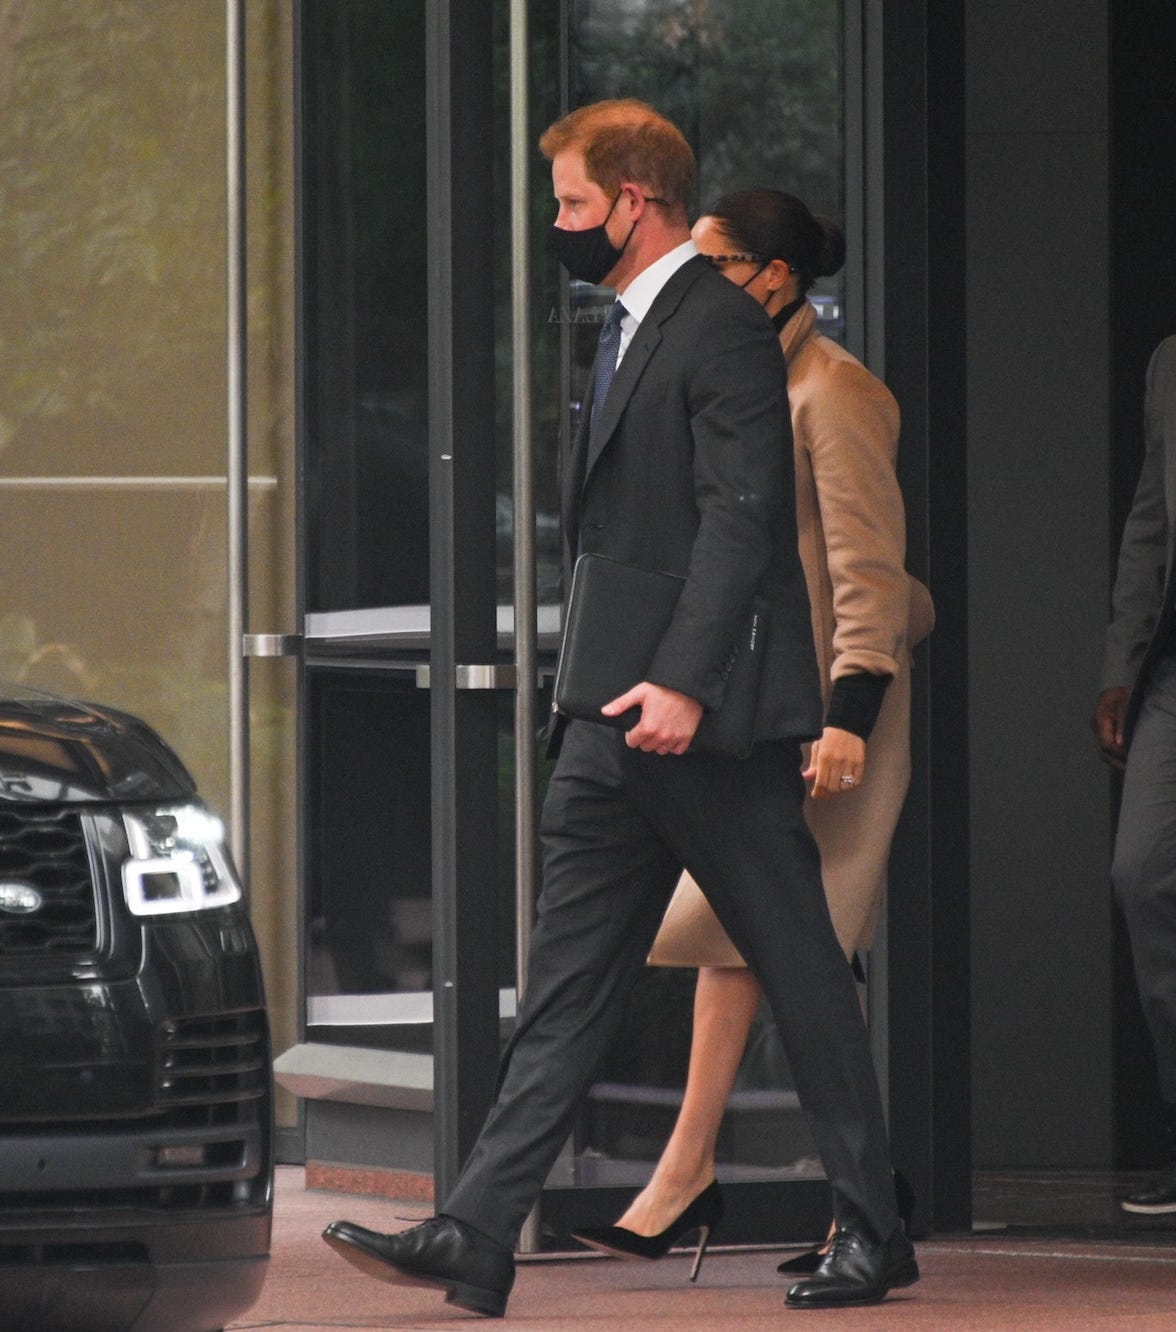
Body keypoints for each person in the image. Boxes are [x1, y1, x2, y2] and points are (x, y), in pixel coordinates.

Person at [322, 100, 916, 1317]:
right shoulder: (633, 324)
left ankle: (872, 1228)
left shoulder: (723, 329)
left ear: (634, 203)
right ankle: (478, 1232)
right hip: (610, 716)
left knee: (801, 972)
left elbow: (742, 523)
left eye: (573, 205)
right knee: (567, 985)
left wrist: (688, 681)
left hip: (703, 721)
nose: (560, 226)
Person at [574, 188, 933, 1273]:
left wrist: (850, 715)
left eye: (719, 263)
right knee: (752, 939)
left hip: (829, 715)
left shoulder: (835, 391)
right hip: (745, 707)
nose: (697, 282)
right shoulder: (736, 377)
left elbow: (868, 572)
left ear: (774, 277)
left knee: (791, 947)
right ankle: (768, 1189)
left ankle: (810, 1202)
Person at [1096, 334, 1176, 1214]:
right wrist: (1120, 662)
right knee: (1143, 873)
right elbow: (1149, 519)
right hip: (1170, 675)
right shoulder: (1168, 363)